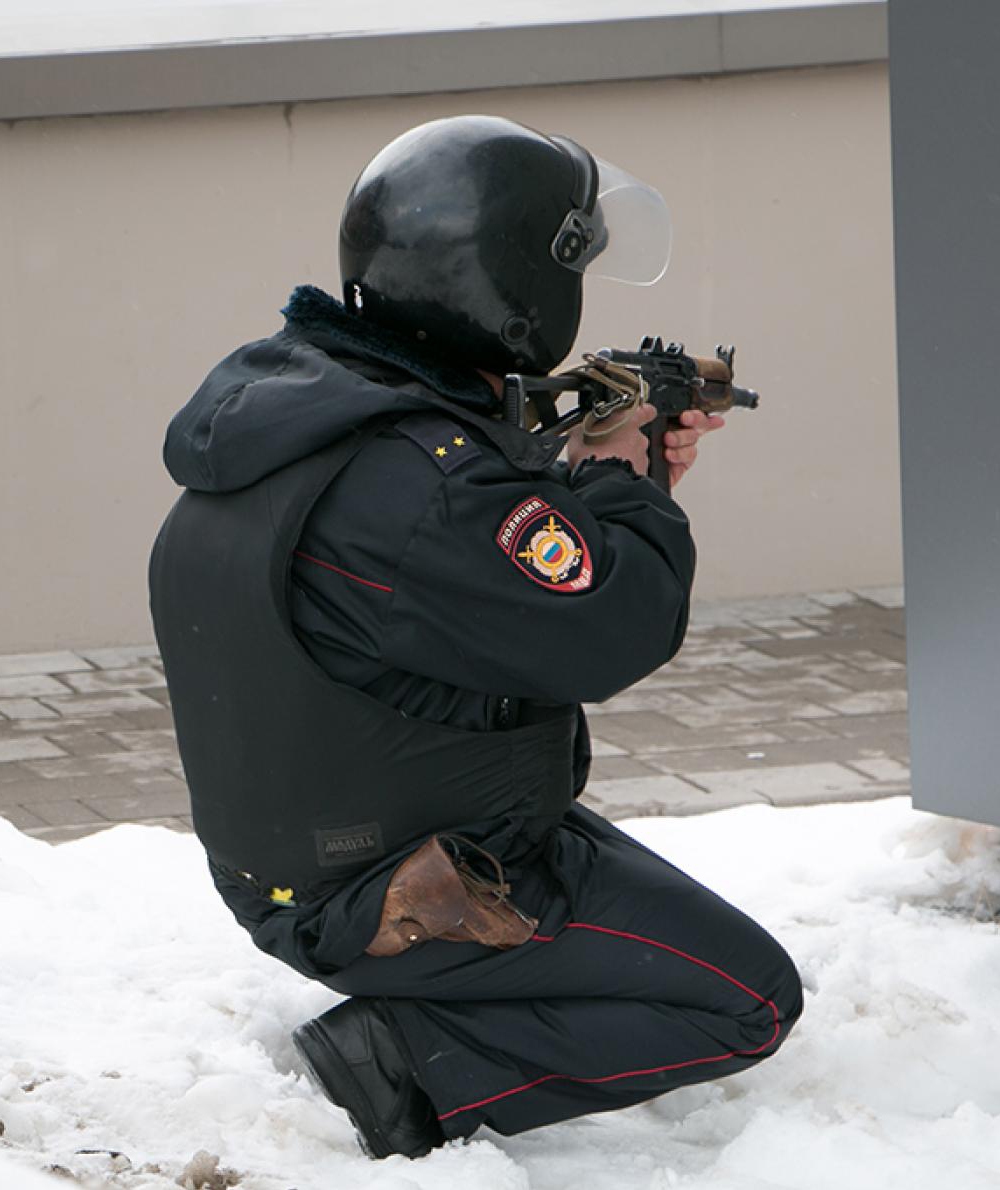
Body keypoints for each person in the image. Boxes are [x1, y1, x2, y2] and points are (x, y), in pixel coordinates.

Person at [149, 115, 803, 1159]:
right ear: (517, 283)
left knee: (687, 950)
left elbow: (468, 581)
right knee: (746, 997)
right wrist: (619, 483)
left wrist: (589, 462)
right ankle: (388, 1073)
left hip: (343, 849)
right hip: (394, 889)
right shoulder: (420, 486)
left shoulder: (304, 410)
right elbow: (612, 625)